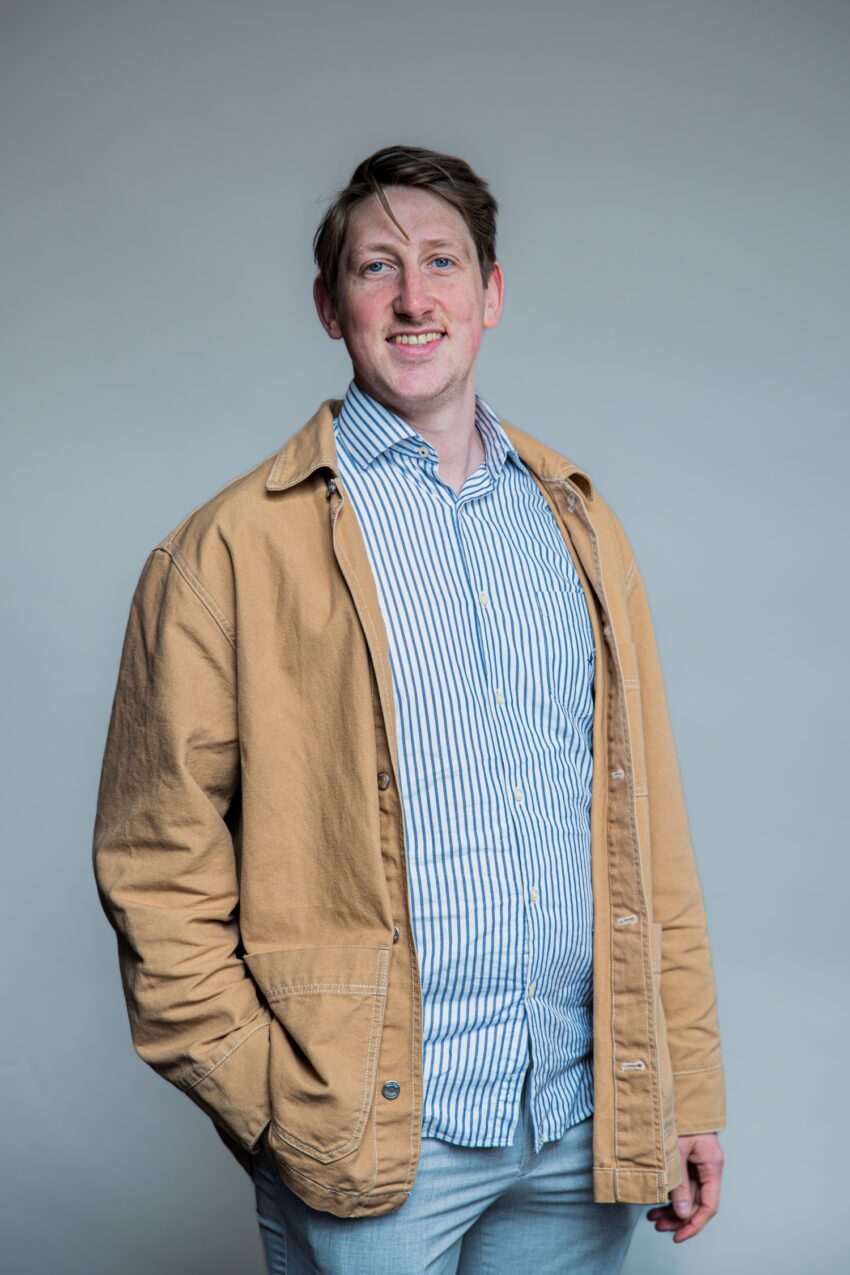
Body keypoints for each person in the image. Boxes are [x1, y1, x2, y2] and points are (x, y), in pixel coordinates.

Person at [93, 145, 726, 1274]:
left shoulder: (578, 523)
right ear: (330, 305)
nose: (413, 297)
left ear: (492, 292)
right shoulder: (228, 550)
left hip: (578, 1119)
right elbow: (155, 864)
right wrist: (276, 1107)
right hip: (375, 1135)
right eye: (376, 267)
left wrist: (683, 1087)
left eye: (442, 262)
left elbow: (649, 834)